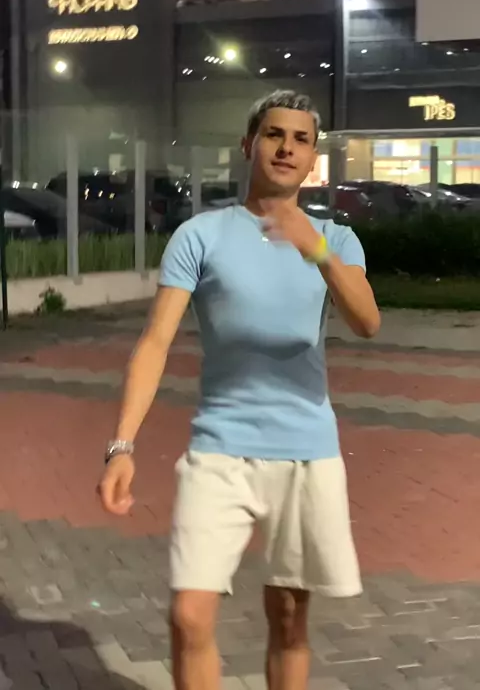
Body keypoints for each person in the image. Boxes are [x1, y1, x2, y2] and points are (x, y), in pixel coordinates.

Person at [99, 90, 381, 690]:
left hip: (306, 451)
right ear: (249, 144)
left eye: (301, 139)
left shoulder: (335, 239)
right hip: (219, 449)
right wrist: (122, 445)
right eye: (274, 134)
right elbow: (154, 343)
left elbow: (366, 321)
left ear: (313, 158)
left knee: (289, 617)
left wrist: (315, 247)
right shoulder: (200, 235)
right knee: (189, 615)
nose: (286, 148)